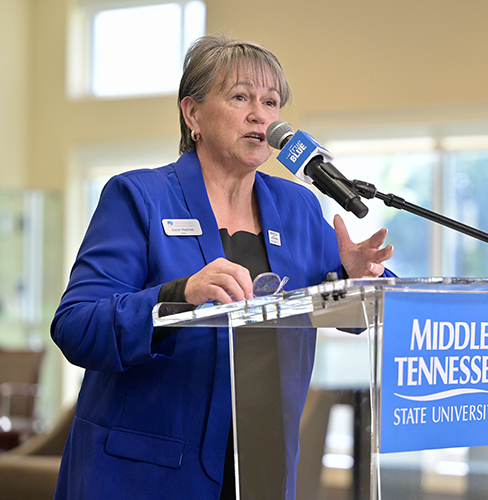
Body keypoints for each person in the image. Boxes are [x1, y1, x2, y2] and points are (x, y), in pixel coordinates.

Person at [51, 33, 395, 500]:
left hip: (259, 469)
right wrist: (179, 296)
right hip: (143, 474)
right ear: (192, 113)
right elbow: (76, 325)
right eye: (240, 98)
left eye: (271, 102)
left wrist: (361, 279)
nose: (261, 115)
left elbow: (369, 305)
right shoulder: (139, 197)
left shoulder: (296, 207)